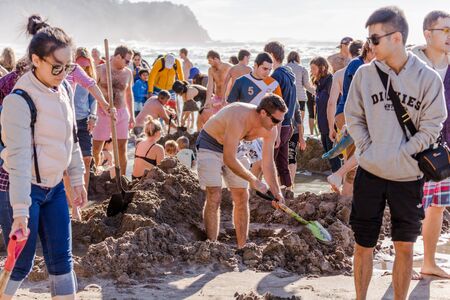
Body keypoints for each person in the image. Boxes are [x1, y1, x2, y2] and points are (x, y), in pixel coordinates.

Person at [345, 6, 447, 300]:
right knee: (363, 244)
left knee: (405, 246)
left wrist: (405, 153)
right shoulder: (365, 75)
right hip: (370, 173)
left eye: (374, 39)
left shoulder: (427, 78)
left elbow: (433, 126)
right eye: (368, 40)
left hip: (409, 175)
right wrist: (367, 148)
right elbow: (353, 117)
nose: (369, 46)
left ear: (397, 38)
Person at [0, 14, 86, 299]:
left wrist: (77, 179)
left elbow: (71, 139)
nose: (63, 74)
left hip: (55, 190)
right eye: (57, 67)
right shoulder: (18, 101)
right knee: (21, 264)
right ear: (35, 60)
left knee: (62, 262)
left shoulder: (65, 89)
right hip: (23, 190)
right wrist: (21, 211)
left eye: (68, 67)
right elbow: (19, 160)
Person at [197, 94, 287, 248]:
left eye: (281, 121)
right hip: (210, 144)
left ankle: (242, 247)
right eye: (276, 120)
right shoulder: (239, 115)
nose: (277, 124)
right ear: (263, 113)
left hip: (235, 146)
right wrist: (254, 180)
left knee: (242, 196)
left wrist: (276, 191)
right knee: (215, 194)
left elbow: (268, 163)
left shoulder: (271, 129)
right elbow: (229, 158)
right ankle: (212, 247)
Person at [410, 10, 450, 279]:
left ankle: (428, 262)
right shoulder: (411, 64)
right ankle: (401, 263)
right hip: (412, 148)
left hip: (444, 149)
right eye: (445, 30)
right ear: (428, 33)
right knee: (408, 207)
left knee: (437, 206)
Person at [327, 41, 374, 196]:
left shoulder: (365, 65)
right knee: (355, 159)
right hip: (349, 114)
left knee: (359, 157)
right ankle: (346, 200)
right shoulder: (356, 65)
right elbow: (357, 95)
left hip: (356, 115)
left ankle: (345, 191)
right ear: (368, 49)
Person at [227, 52, 282, 177]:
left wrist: (277, 134)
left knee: (261, 164)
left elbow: (279, 112)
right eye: (264, 68)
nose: (267, 72)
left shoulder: (274, 84)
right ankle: (251, 188)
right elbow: (230, 107)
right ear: (255, 65)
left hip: (264, 131)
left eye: (269, 69)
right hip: (244, 129)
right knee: (257, 161)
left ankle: (251, 188)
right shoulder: (241, 81)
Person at [92, 45, 135, 175]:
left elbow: (129, 94)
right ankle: (95, 175)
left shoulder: (127, 73)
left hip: (121, 113)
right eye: (127, 60)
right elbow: (91, 92)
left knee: (122, 148)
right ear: (117, 56)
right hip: (102, 113)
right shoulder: (100, 70)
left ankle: (121, 179)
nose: (128, 64)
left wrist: (132, 116)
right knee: (97, 148)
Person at [264, 41, 299, 194]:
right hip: (289, 124)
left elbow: (274, 104)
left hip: (279, 124)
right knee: (282, 161)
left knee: (270, 160)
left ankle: (271, 191)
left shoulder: (277, 75)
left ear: (272, 55)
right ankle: (288, 190)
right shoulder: (289, 72)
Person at [310, 57, 341, 173]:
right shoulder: (318, 83)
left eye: (313, 68)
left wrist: (332, 126)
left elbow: (334, 103)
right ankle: (336, 180)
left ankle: (339, 181)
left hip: (332, 125)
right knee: (329, 154)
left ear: (322, 68)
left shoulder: (330, 81)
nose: (311, 71)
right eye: (311, 68)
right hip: (323, 125)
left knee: (334, 155)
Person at [286, 50, 315, 123]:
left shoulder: (284, 68)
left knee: (289, 122)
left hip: (288, 98)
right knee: (299, 123)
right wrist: (316, 92)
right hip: (300, 98)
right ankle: (300, 134)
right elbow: (306, 85)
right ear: (298, 58)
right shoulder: (302, 69)